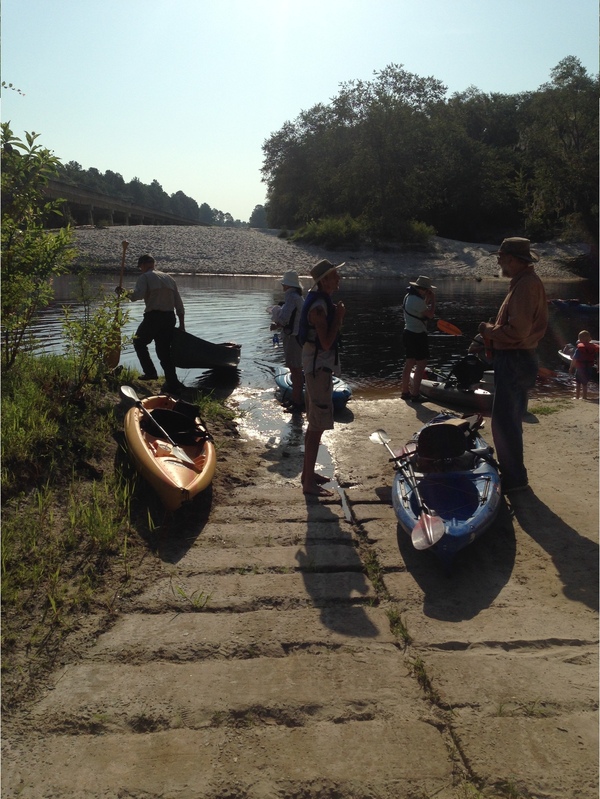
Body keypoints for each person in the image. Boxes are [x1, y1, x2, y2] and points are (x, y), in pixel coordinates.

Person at [478, 237, 548, 494]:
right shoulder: (522, 282)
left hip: (516, 359)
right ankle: (514, 475)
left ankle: (515, 479)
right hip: (518, 358)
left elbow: (517, 331)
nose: (498, 261)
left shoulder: (526, 285)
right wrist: (490, 336)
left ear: (515, 260)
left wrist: (488, 330)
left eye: (501, 257)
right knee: (509, 420)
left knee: (504, 422)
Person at [299, 259, 346, 497]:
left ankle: (307, 474)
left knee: (313, 426)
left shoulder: (319, 303)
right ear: (324, 280)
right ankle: (308, 483)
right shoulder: (319, 308)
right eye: (335, 275)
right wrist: (338, 316)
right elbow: (326, 343)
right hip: (318, 371)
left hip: (316, 369)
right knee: (316, 427)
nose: (339, 279)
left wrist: (336, 316)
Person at [117, 254, 185, 393]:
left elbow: (137, 296)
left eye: (140, 267)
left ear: (142, 265)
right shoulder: (169, 278)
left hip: (154, 317)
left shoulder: (145, 277)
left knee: (139, 342)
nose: (141, 269)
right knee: (164, 351)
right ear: (153, 264)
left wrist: (123, 293)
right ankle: (172, 382)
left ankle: (150, 372)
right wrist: (182, 324)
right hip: (169, 317)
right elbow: (179, 303)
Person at [269, 270, 305, 411]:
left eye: (284, 283)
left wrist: (275, 322)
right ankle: (295, 400)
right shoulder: (298, 297)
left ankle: (297, 403)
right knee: (296, 369)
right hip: (298, 336)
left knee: (295, 370)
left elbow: (285, 318)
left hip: (292, 337)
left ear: (287, 285)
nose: (282, 286)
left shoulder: (291, 296)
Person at [400, 275, 436, 402]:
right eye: (427, 290)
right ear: (423, 289)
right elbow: (430, 315)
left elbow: (420, 309)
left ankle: (405, 392)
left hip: (408, 332)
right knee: (421, 364)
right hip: (418, 334)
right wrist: (432, 300)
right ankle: (415, 394)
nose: (428, 292)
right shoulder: (417, 300)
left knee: (409, 362)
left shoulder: (408, 297)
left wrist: (426, 299)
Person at [569, 330, 599, 400]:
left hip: (580, 368)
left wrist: (571, 367)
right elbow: (597, 358)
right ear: (590, 339)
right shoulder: (593, 348)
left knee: (578, 383)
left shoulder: (579, 349)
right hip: (589, 367)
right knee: (585, 383)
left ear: (580, 340)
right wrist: (598, 367)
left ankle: (577, 397)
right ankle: (584, 397)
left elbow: (574, 359)